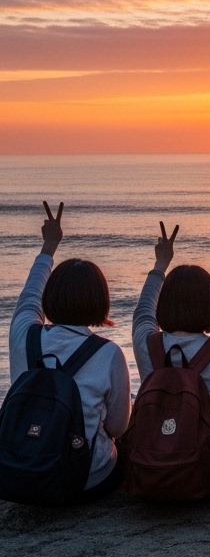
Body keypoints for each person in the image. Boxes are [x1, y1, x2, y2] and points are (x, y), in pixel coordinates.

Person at [7, 202, 131, 502]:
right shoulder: (109, 353)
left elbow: (29, 296)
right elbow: (117, 426)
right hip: (82, 482)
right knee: (128, 428)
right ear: (101, 302)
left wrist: (49, 246)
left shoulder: (25, 336)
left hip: (19, 471)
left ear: (50, 296)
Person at [131, 222, 210, 428]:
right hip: (205, 457)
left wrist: (161, 264)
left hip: (149, 453)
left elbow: (143, 311)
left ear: (164, 302)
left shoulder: (146, 344)